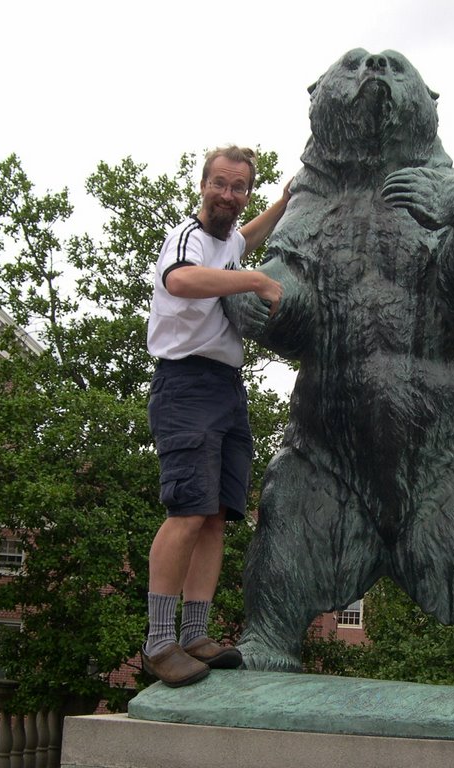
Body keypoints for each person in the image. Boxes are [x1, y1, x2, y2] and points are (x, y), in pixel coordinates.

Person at [143, 146, 288, 687]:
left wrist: (285, 201)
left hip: (227, 387)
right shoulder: (189, 238)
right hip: (185, 383)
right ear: (202, 185)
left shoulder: (229, 242)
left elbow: (246, 237)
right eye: (220, 184)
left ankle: (196, 633)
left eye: (239, 187)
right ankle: (159, 642)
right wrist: (255, 281)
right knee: (186, 510)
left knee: (216, 516)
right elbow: (180, 280)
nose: (229, 195)